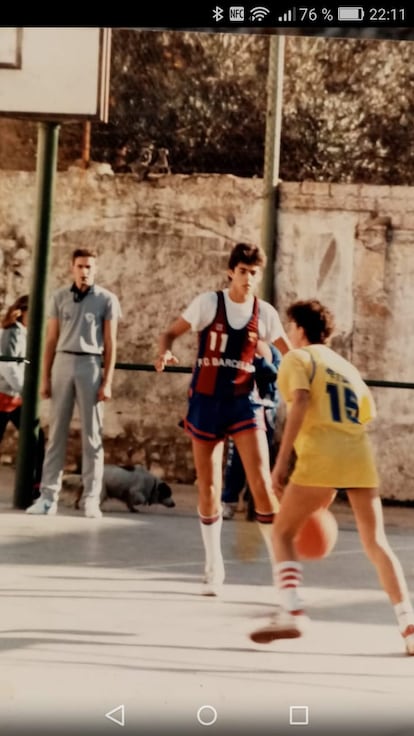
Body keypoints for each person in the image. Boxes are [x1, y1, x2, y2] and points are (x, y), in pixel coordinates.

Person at [249, 299, 414, 656]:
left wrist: (281, 462)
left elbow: (302, 402)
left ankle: (291, 610)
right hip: (358, 455)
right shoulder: (348, 368)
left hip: (321, 455)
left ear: (299, 329)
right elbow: (362, 416)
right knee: (376, 543)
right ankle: (408, 625)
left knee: (282, 531)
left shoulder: (296, 358)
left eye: (290, 327)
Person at [155, 242, 291, 595]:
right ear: (231, 271)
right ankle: (213, 564)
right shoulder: (208, 303)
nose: (248, 278)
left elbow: (293, 354)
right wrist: (165, 350)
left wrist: (316, 369)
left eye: (254, 273)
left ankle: (283, 575)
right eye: (243, 271)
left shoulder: (266, 314)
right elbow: (170, 332)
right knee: (209, 487)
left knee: (261, 483)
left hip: (244, 401)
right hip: (206, 400)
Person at [26, 248, 122, 518]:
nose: (85, 271)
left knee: (92, 436)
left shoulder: (107, 300)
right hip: (63, 362)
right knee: (56, 433)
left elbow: (112, 343)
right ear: (72, 268)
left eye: (89, 266)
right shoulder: (59, 297)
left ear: (96, 268)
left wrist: (108, 380)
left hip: (90, 364)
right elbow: (50, 340)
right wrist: (45, 377)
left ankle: (92, 497)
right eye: (80, 266)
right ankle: (48, 497)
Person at [222, 343, 281, 521]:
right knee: (244, 459)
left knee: (256, 460)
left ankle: (248, 502)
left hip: (258, 407)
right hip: (253, 406)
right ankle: (234, 500)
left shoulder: (263, 348)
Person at [0, 294, 45, 497]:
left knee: (37, 438)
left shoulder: (25, 333)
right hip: (5, 396)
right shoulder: (13, 332)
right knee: (36, 438)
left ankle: (36, 485)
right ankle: (36, 485)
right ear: (23, 312)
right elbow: (8, 365)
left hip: (14, 397)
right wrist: (26, 389)